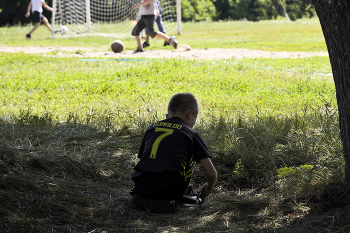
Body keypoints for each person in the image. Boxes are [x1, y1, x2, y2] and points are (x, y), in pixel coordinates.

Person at [130, 93, 217, 214]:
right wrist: (208, 188)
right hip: (169, 188)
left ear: (167, 116)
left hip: (141, 185)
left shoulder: (151, 128)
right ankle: (179, 195)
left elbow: (145, 159)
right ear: (191, 113)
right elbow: (212, 174)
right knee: (192, 154)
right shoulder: (191, 133)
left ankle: (142, 197)